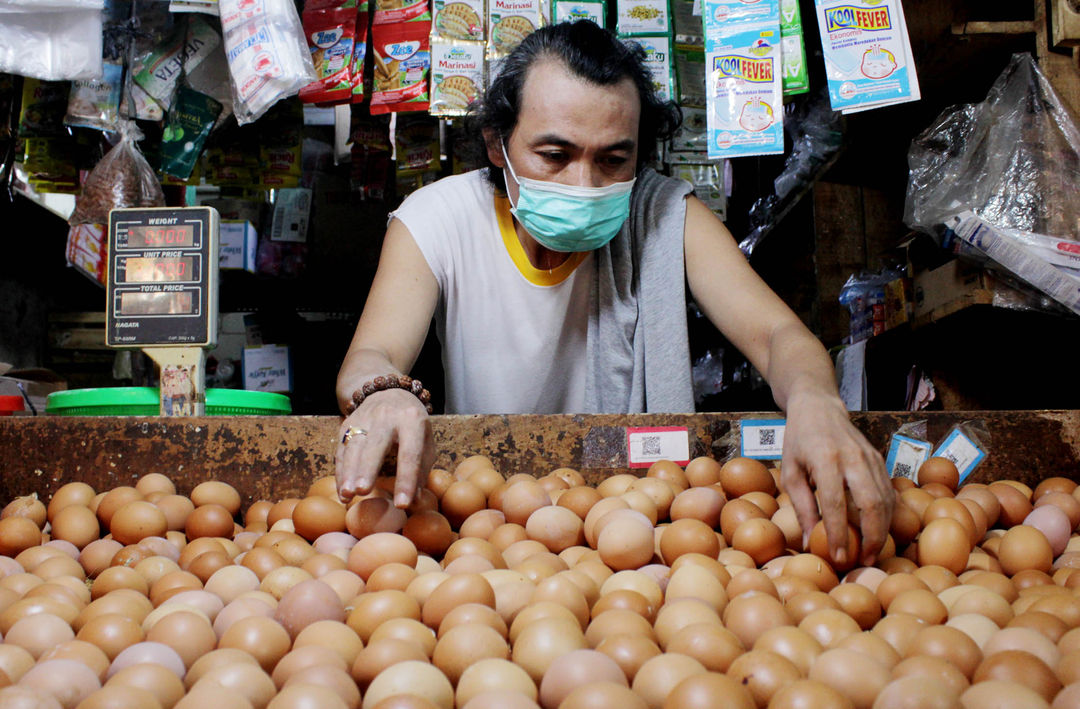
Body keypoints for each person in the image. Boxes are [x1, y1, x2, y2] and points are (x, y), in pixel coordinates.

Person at [336, 21, 893, 566]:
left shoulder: (662, 215)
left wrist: (815, 401)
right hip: (487, 521)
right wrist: (385, 392)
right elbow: (372, 355)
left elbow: (776, 334)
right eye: (554, 156)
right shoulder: (439, 220)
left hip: (634, 518)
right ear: (496, 145)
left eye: (612, 160)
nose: (584, 185)